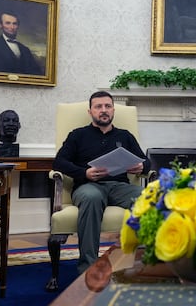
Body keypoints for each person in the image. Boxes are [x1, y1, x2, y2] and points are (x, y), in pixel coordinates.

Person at [53, 91, 150, 274]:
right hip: (88, 186)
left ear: (113, 110)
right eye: (98, 107)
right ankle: (88, 269)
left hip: (120, 187)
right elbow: (59, 162)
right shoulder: (78, 135)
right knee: (92, 197)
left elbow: (145, 162)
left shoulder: (125, 136)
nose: (103, 110)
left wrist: (141, 167)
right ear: (90, 111)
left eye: (107, 106)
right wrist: (84, 173)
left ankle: (143, 263)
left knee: (148, 197)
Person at [0, 11, 44, 75]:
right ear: (0, 25)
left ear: (18, 26)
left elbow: (36, 74)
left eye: (14, 23)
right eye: (8, 23)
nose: (12, 27)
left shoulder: (25, 50)